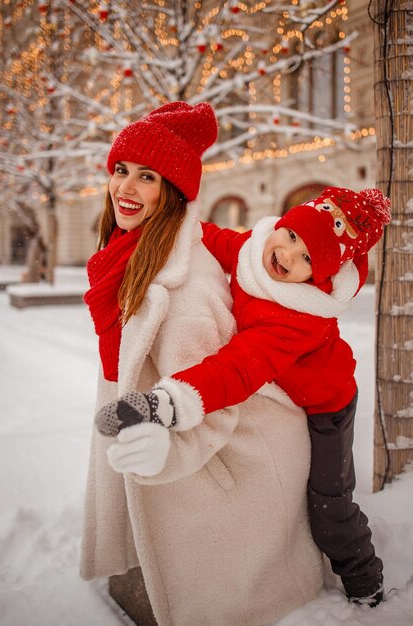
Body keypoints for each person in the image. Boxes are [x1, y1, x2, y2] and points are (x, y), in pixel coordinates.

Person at [81, 101, 323, 626]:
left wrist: (165, 450)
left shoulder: (188, 286)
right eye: (121, 170)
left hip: (234, 456)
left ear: (172, 191)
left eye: (147, 177)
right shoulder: (130, 251)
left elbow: (214, 400)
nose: (125, 187)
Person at [96, 185, 391, 608]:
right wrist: (161, 221)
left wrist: (165, 402)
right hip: (286, 389)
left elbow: (237, 367)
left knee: (329, 507)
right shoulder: (255, 251)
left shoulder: (298, 319)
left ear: (321, 275)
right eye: (291, 236)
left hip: (328, 406)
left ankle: (365, 580)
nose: (287, 255)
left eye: (307, 258)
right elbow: (209, 237)